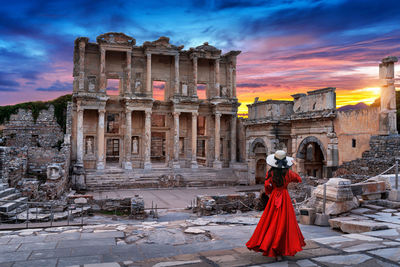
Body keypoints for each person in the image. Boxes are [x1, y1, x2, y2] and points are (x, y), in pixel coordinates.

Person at [246, 150, 305, 261]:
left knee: (272, 222)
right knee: (285, 223)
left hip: (274, 198)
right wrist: (296, 166)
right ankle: (282, 249)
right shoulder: (288, 173)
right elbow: (299, 179)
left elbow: (267, 187)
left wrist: (270, 191)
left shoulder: (270, 173)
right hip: (285, 198)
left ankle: (273, 249)